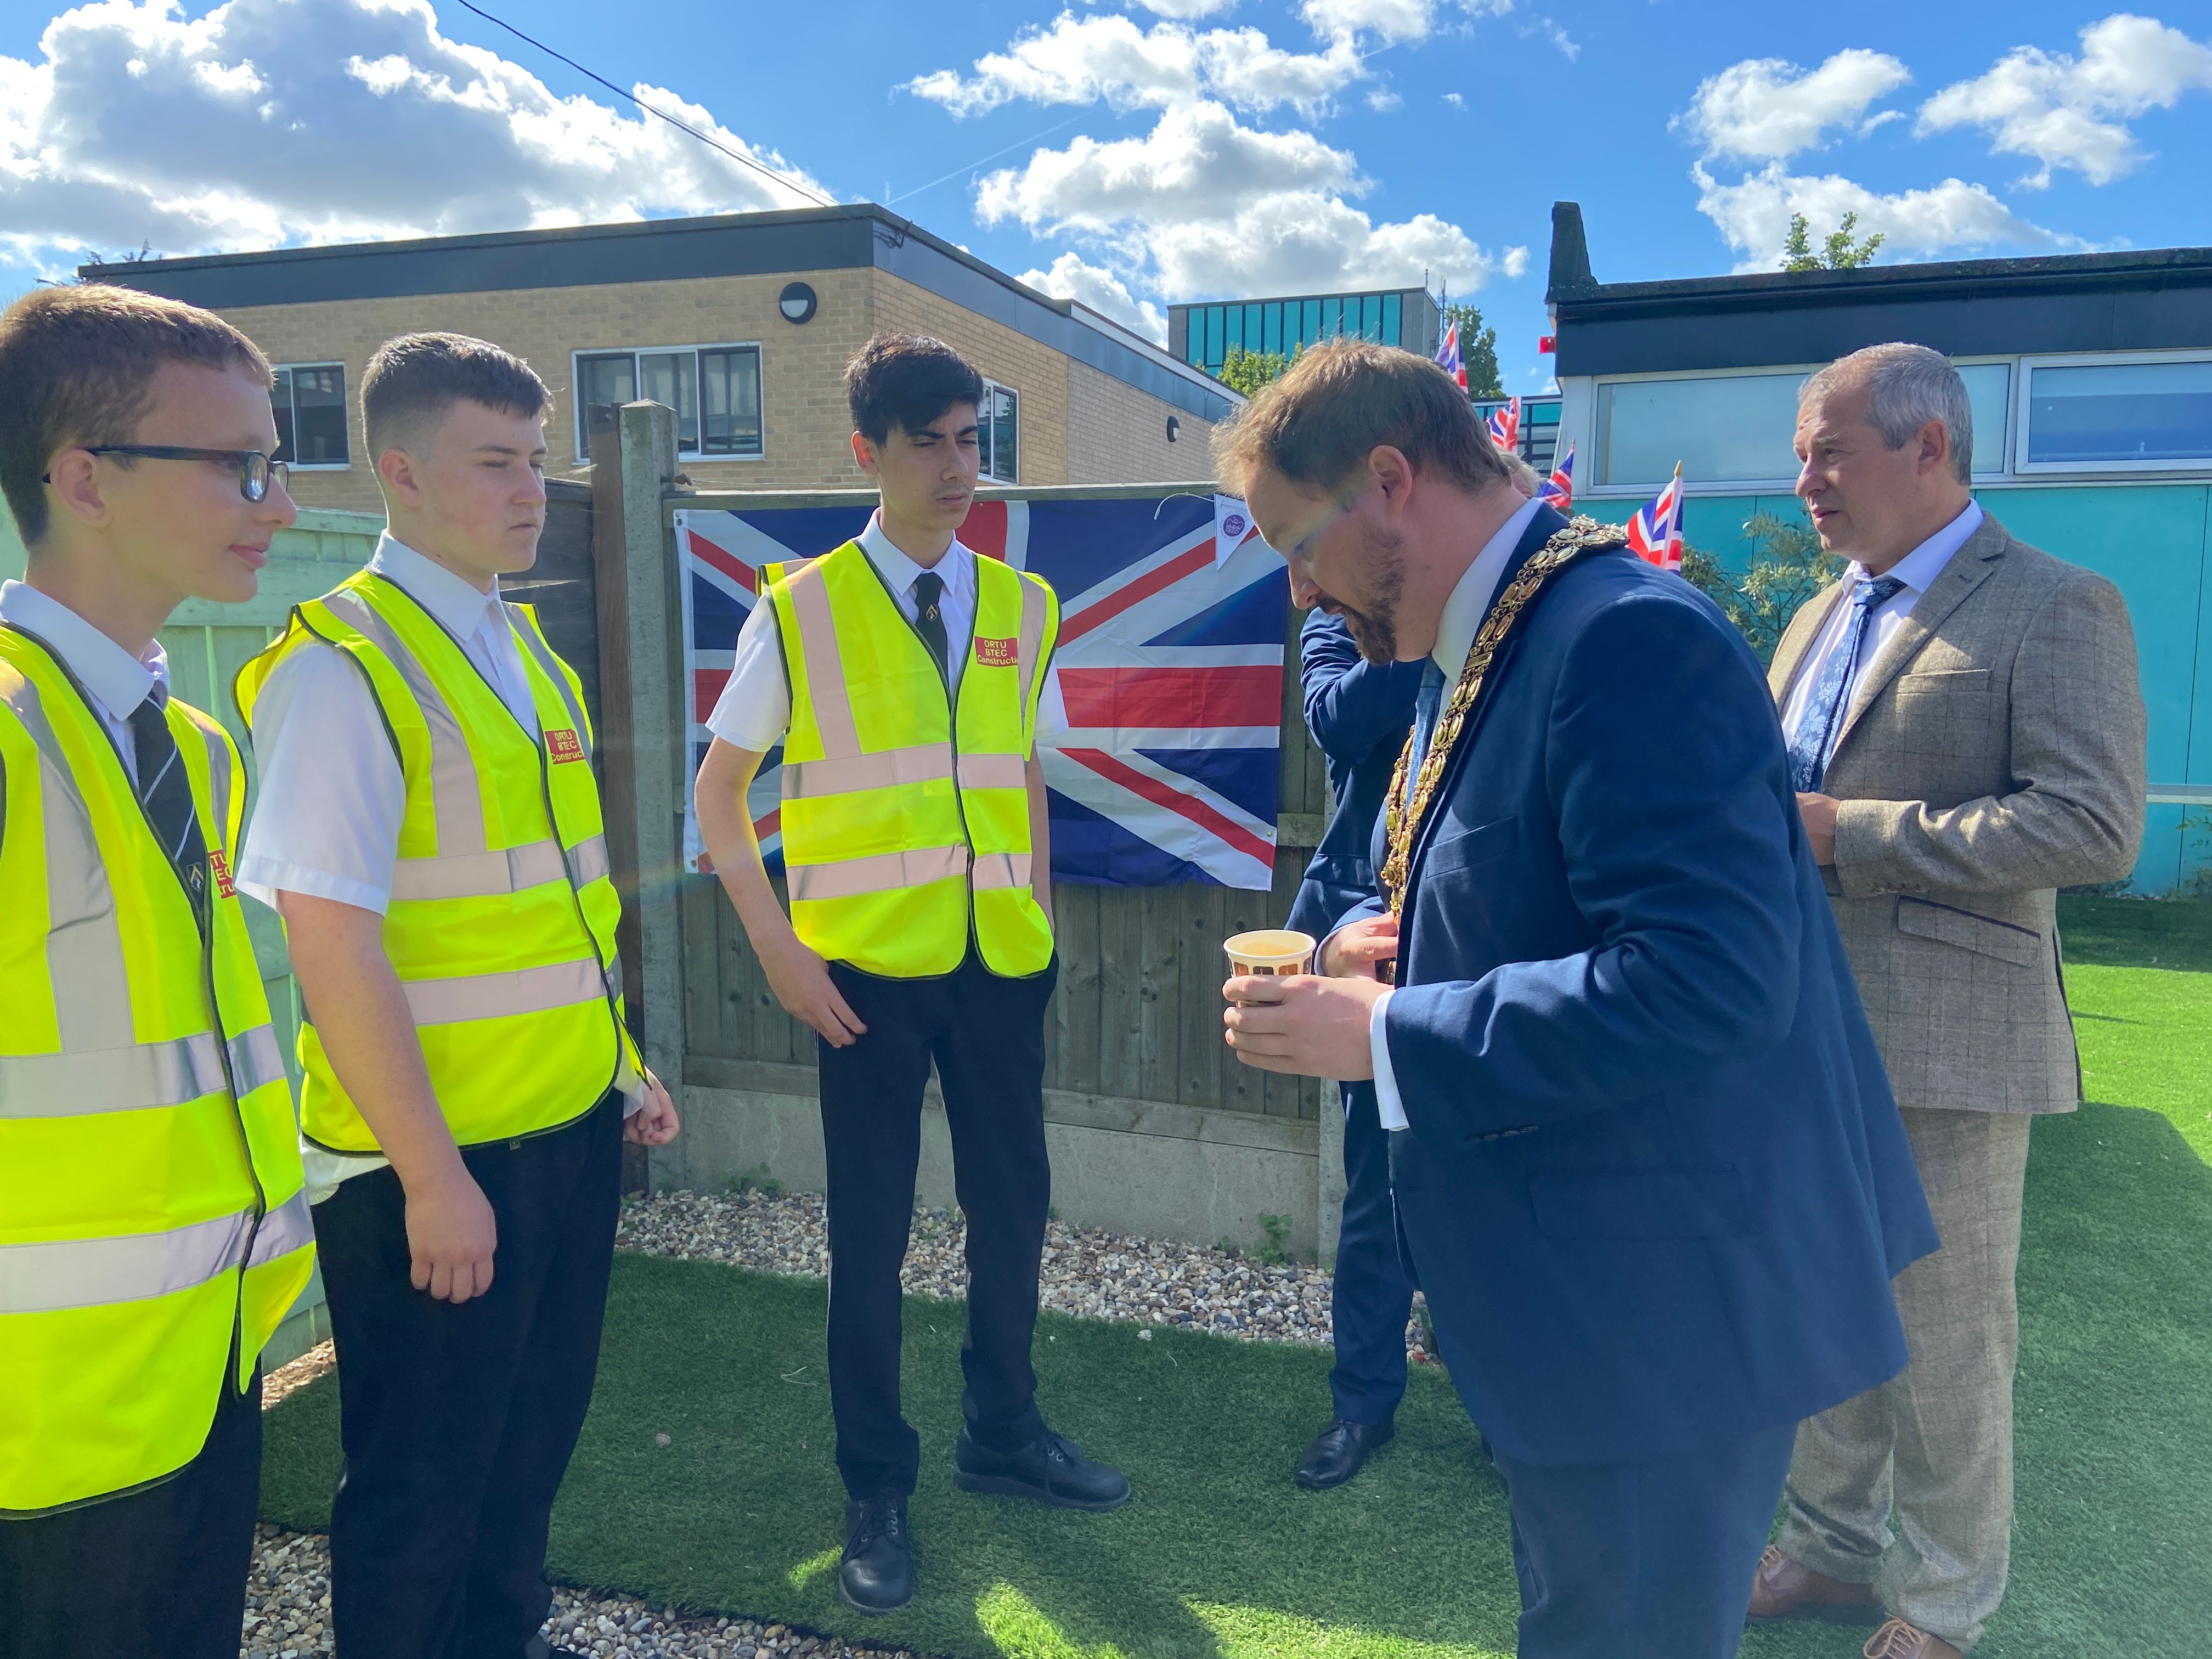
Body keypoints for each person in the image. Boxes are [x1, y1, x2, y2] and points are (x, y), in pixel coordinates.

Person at [1216, 339, 1938, 1659]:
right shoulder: (1499, 638)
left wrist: (1385, 1033)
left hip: (1668, 1315)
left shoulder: (1623, 637)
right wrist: (1390, 952)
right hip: (1607, 1297)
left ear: (1391, 478)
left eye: (1296, 541)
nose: (1299, 588)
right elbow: (1553, 903)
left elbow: (1709, 981)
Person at [232, 332, 679, 1659]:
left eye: (536, 460)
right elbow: (333, 945)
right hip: (431, 1173)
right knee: (422, 1486)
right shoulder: (342, 665)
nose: (530, 489)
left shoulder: (523, 650)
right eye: (496, 463)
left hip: (561, 1129)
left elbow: (557, 900)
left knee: (526, 1450)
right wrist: (432, 1178)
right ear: (402, 473)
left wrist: (620, 1065)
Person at [692, 333, 1126, 1616]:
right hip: (861, 980)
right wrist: (779, 954)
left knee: (1015, 1214)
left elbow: (1026, 774)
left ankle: (1004, 1435)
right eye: (931, 440)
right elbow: (719, 794)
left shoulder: (1026, 605)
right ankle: (875, 1483)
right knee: (870, 1240)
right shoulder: (799, 607)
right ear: (867, 449)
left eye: (972, 438)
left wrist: (1036, 919)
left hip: (1001, 969)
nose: (958, 465)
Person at [1750, 344, 2145, 1659]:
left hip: (1950, 1041)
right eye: (1805, 452)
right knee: (1822, 1298)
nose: (1804, 479)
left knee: (1946, 1338)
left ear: (1930, 448)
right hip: (1793, 1024)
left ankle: (1947, 1595)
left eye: (1829, 451)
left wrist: (1846, 832)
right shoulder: (1817, 615)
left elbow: (2093, 828)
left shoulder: (2055, 603)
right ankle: (1828, 1543)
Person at [0, 285, 317, 1658]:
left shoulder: (189, 738)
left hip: (200, 1365)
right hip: (42, 1429)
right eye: (238, 467)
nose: (277, 503)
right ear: (85, 479)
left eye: (277, 465)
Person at [1284, 450, 1539, 1490]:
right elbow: (1337, 717)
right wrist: (1445, 638)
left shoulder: (1522, 625)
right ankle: (1361, 1406)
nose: (1302, 577)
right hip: (1369, 933)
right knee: (1376, 1202)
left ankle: (1506, 1411)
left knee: (1492, 1198)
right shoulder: (1341, 625)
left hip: (1481, 949)